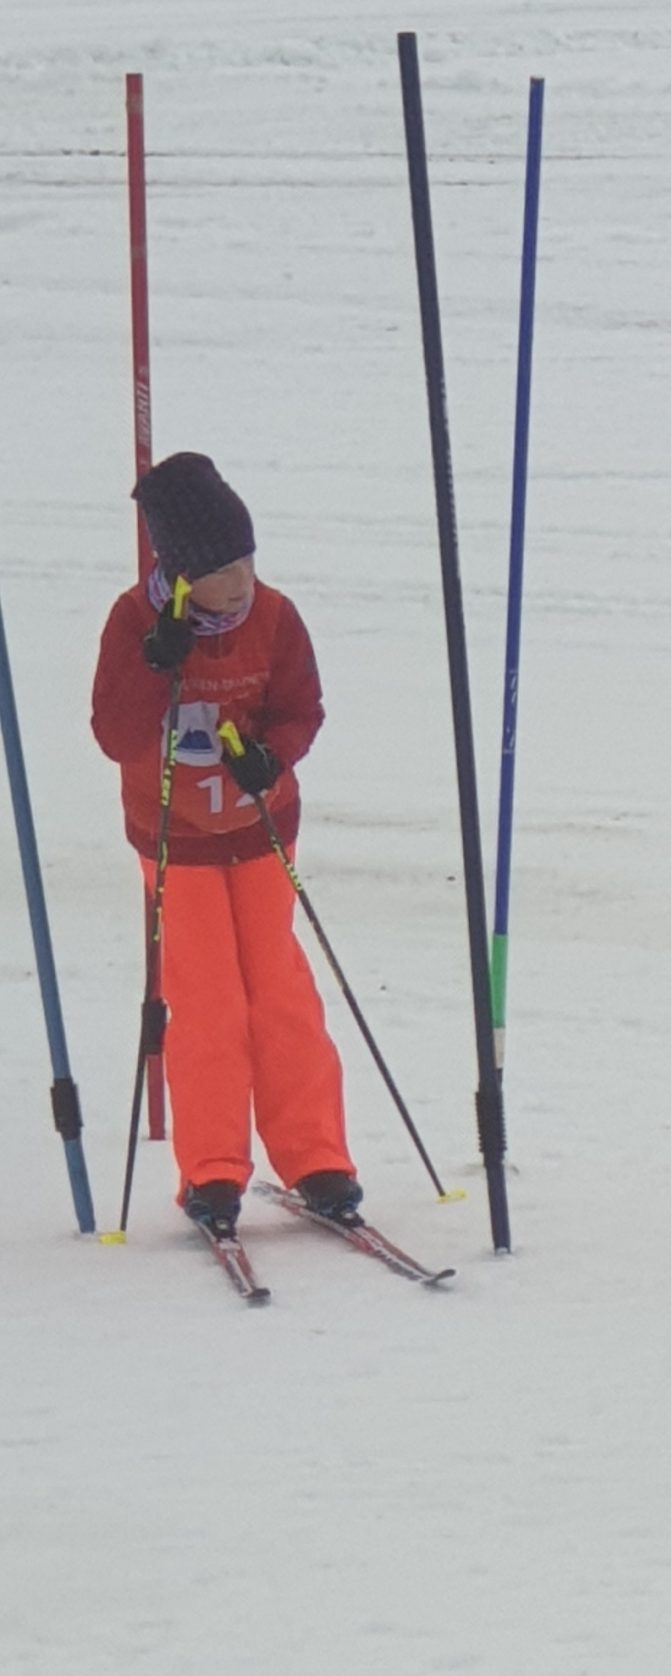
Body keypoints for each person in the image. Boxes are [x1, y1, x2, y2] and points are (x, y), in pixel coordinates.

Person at [89, 452, 358, 1239]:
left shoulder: (273, 615)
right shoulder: (134, 623)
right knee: (206, 997)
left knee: (279, 988)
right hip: (176, 840)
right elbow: (116, 734)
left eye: (246, 560)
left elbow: (300, 706)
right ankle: (211, 1168)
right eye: (218, 570)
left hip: (260, 828)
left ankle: (316, 1156)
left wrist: (272, 754)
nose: (239, 582)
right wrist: (155, 666)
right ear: (177, 576)